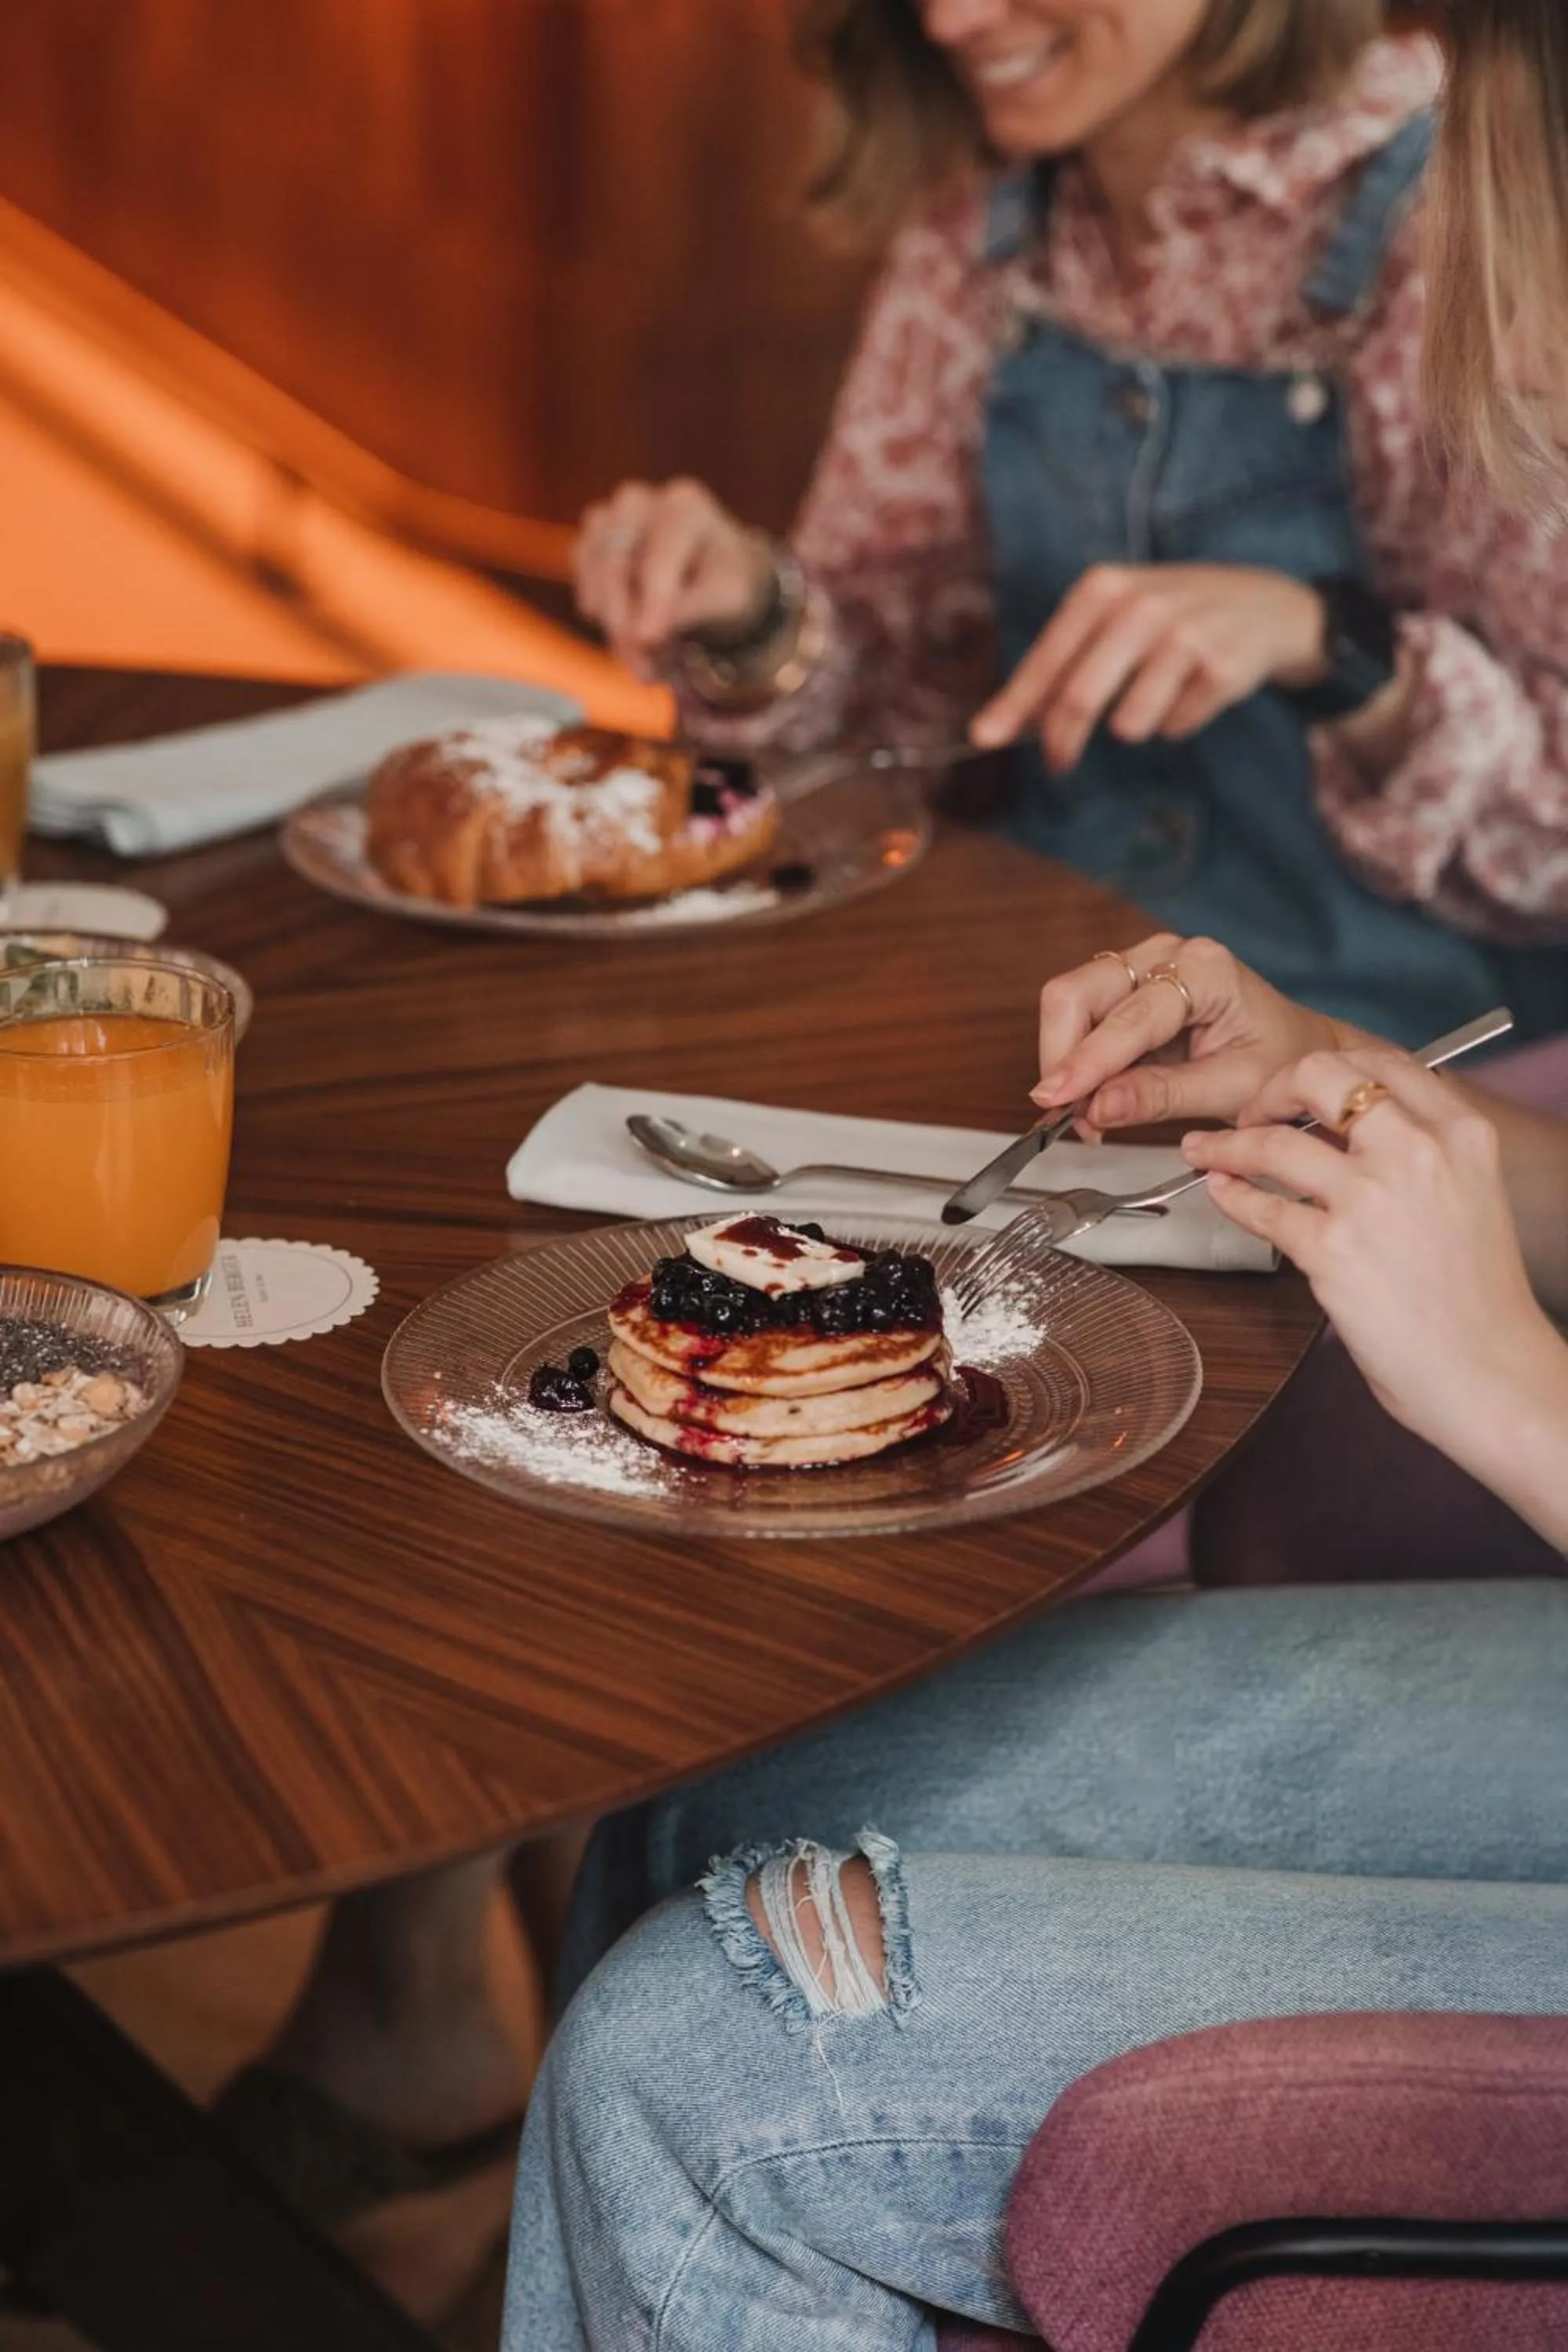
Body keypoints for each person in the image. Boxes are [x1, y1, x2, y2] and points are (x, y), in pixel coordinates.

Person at [575, 0, 1568, 1047]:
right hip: (1043, 1015)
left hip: (1393, 1069)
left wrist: (1327, 646)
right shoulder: (984, 219)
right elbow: (899, 750)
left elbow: (1552, 855)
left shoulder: (1469, 200)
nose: (952, 19)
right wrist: (755, 618)